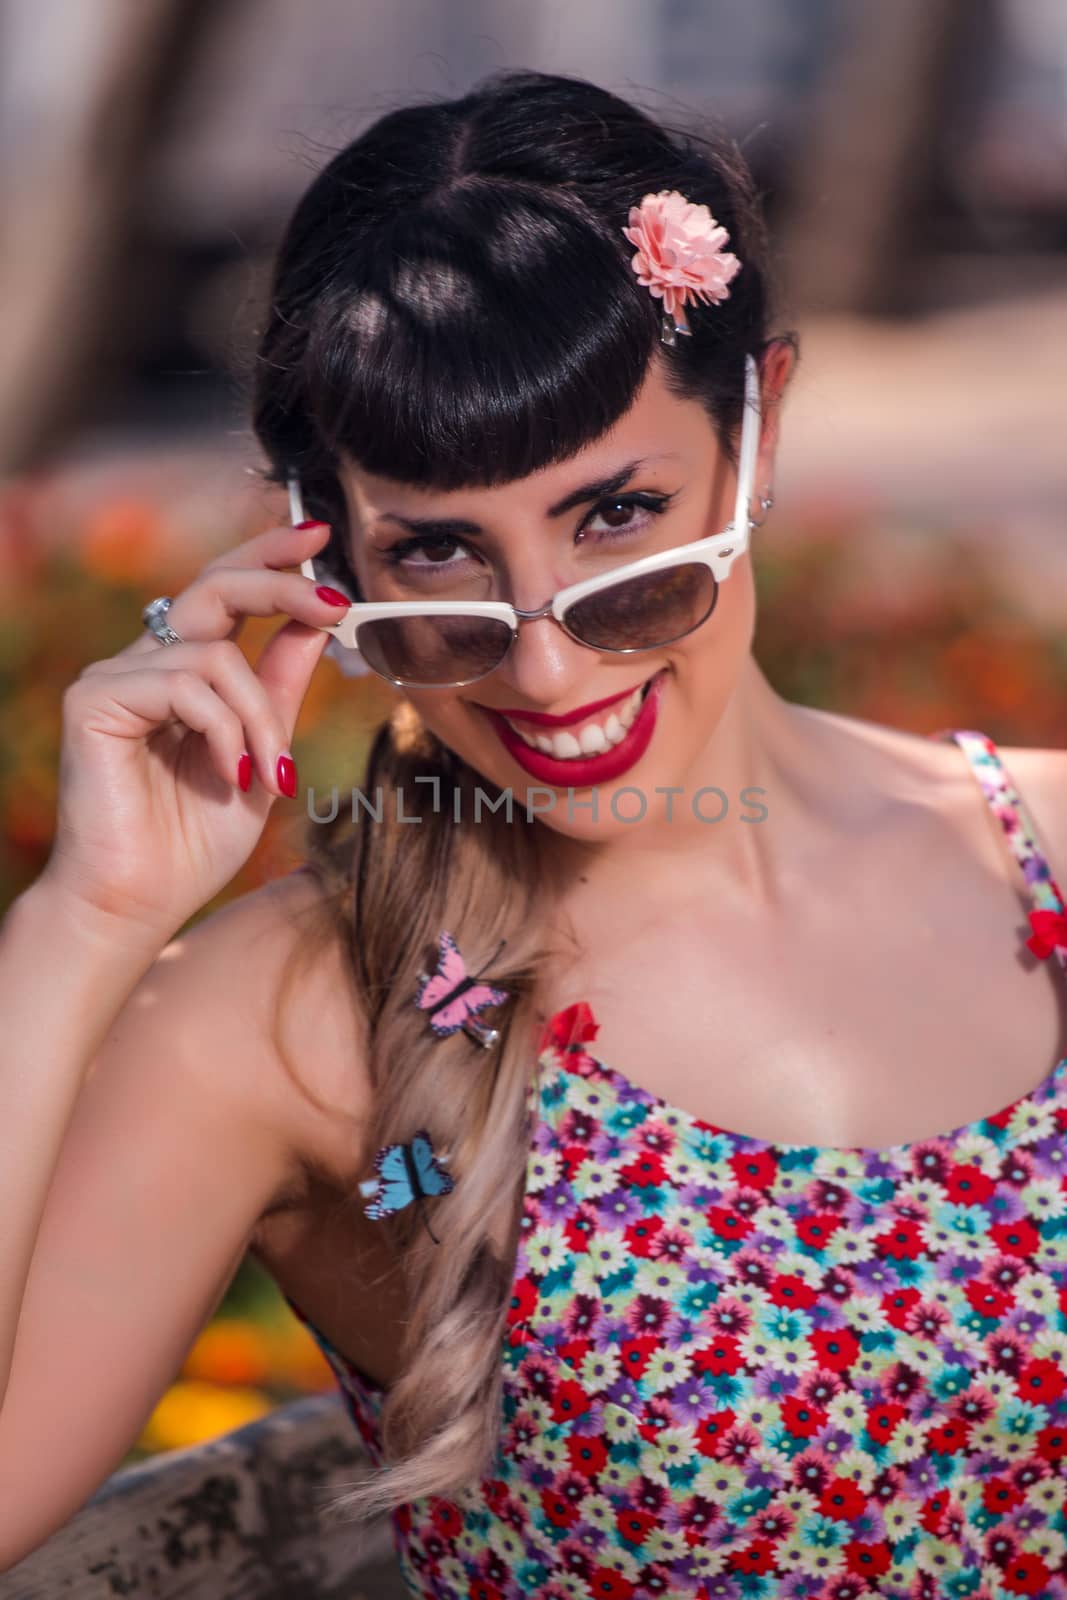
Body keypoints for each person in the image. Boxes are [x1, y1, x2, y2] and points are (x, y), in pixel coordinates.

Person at [1, 67, 1065, 1598]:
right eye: (441, 558)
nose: (549, 665)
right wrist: (82, 922)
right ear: (330, 551)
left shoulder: (1047, 848)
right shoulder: (288, 1021)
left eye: (620, 522)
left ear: (756, 432)